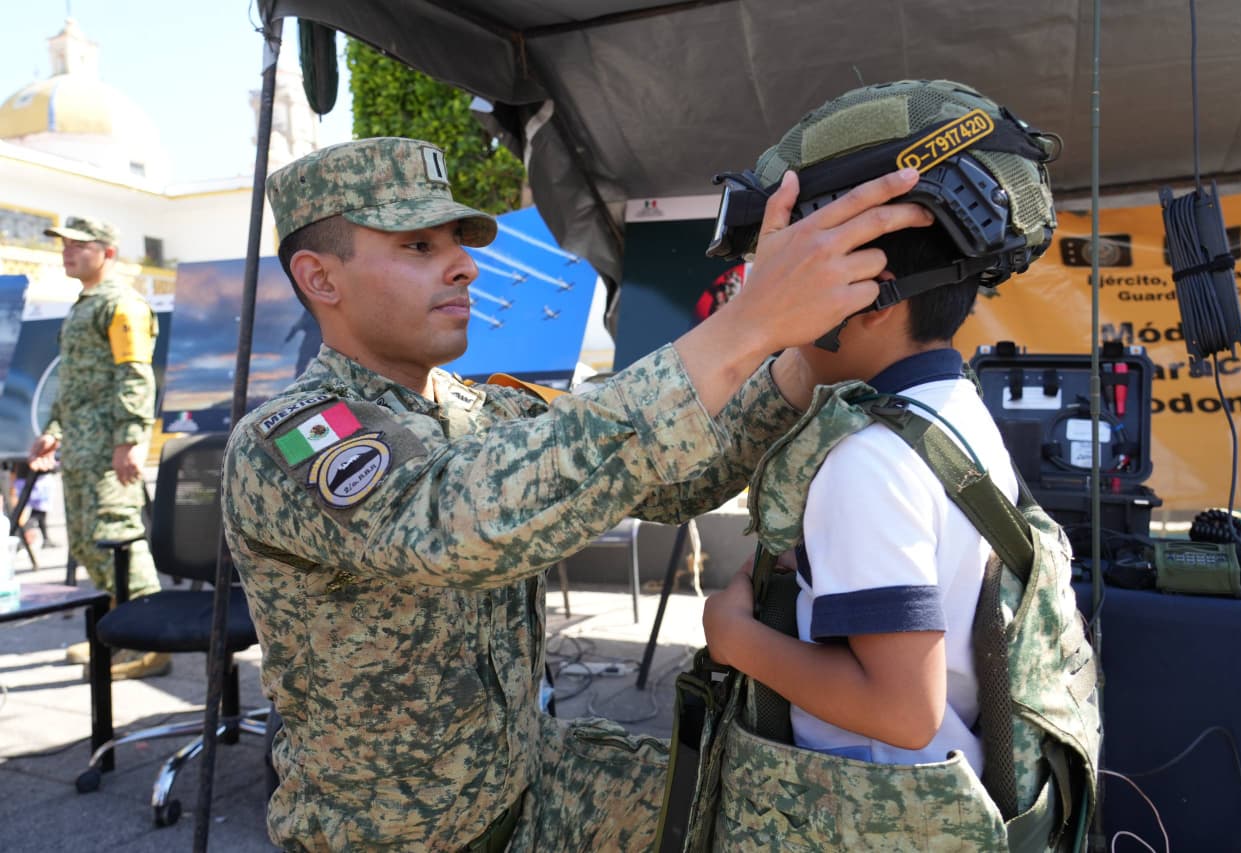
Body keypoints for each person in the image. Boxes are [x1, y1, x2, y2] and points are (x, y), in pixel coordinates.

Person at [221, 136, 934, 851]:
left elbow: (676, 477)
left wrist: (805, 350)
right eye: (418, 246)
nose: (465, 265)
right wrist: (748, 320)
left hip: (529, 780)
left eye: (457, 242)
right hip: (396, 839)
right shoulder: (289, 439)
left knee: (775, 813)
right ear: (320, 278)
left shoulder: (484, 409)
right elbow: (453, 528)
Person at [700, 79, 1096, 848]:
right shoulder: (953, 409)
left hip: (866, 820)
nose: (772, 300)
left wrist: (732, 635)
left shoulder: (866, 462)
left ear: (867, 291)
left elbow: (901, 709)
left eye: (793, 273)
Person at [29, 216, 168, 681]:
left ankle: (150, 644)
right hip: (82, 450)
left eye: (78, 245)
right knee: (90, 544)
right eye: (64, 244)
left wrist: (129, 439)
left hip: (110, 451)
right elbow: (74, 383)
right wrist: (55, 429)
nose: (67, 252)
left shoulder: (121, 304)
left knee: (118, 539)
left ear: (108, 251)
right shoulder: (83, 306)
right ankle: (120, 636)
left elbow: (134, 374)